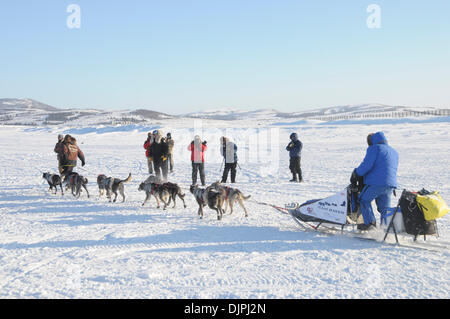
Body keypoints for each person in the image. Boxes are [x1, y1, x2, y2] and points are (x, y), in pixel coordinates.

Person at [351, 132, 399, 231]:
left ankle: (370, 225)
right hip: (390, 185)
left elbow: (366, 165)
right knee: (384, 208)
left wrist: (356, 174)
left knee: (363, 200)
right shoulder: (393, 151)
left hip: (375, 183)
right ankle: (385, 230)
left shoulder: (375, 148)